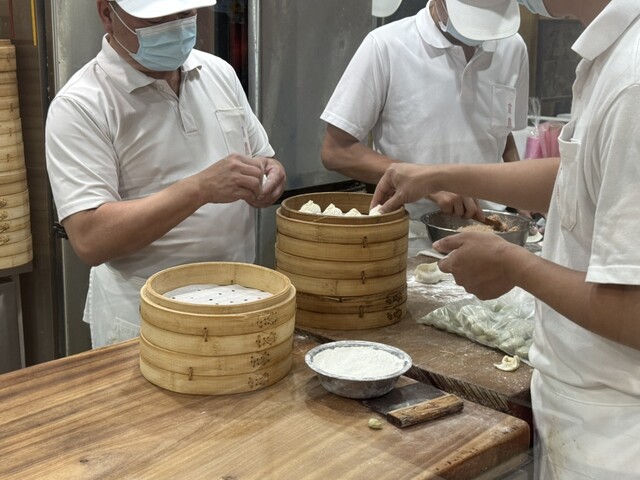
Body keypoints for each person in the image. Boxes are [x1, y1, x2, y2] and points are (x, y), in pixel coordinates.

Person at [371, 0, 640, 477]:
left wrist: (513, 265)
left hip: (618, 427)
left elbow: (634, 313)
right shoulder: (613, 54)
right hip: (589, 403)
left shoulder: (632, 80)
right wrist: (441, 174)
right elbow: (580, 176)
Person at [45, 0, 286, 348]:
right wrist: (200, 189)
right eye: (157, 18)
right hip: (145, 317)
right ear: (107, 14)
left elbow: (262, 156)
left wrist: (271, 174)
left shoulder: (218, 72)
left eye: (185, 14)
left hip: (239, 299)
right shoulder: (81, 104)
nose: (175, 26)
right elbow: (90, 238)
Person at [320, 0, 529, 255]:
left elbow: (501, 132)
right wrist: (431, 184)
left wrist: (522, 195)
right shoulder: (387, 46)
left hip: (492, 232)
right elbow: (335, 151)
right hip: (411, 238)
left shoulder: (512, 46)